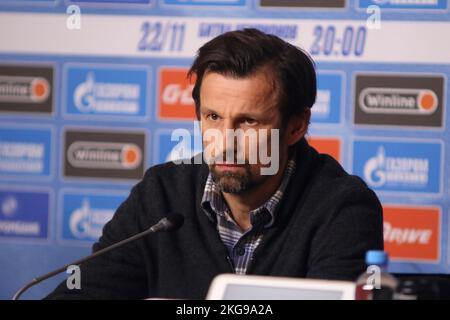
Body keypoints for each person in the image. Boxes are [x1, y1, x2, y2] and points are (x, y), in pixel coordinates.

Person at [46, 28, 383, 299]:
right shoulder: (161, 195)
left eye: (248, 122)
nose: (225, 140)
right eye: (213, 117)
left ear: (296, 126)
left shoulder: (342, 208)